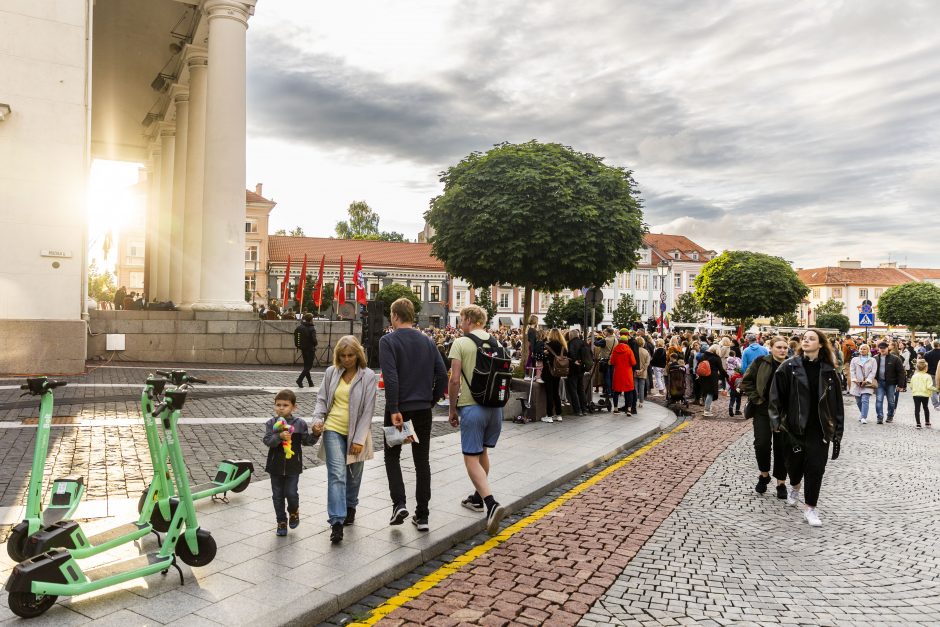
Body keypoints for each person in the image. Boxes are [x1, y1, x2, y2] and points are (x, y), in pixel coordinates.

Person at [380, 298, 448, 531]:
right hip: (422, 408)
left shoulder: (388, 341)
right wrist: (432, 399)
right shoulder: (428, 341)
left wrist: (395, 408)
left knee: (392, 457)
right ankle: (423, 515)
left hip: (399, 409)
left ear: (395, 316)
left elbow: (391, 377)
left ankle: (399, 504)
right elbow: (442, 375)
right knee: (422, 461)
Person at [768, 330, 844, 527]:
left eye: (812, 338)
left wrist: (837, 432)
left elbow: (836, 404)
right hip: (794, 428)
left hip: (819, 428)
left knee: (816, 468)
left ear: (820, 344)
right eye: (805, 338)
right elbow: (775, 396)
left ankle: (810, 508)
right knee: (794, 467)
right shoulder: (789, 366)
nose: (806, 340)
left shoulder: (829, 371)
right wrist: (776, 422)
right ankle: (794, 486)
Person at [310, 336, 377, 543]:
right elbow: (322, 399)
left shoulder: (368, 376)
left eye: (351, 355)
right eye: (343, 356)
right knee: (337, 474)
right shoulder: (331, 373)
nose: (347, 359)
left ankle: (350, 505)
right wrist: (317, 419)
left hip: (358, 431)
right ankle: (336, 522)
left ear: (358, 355)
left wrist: (359, 439)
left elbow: (368, 411)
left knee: (355, 474)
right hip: (333, 428)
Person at [448, 304, 507, 536]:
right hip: (495, 408)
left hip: (472, 407)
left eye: (461, 319)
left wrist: (452, 409)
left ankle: (491, 504)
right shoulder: (497, 342)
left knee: (471, 458)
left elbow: (454, 380)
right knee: (482, 452)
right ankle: (476, 497)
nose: (460, 323)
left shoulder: (461, 343)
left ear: (469, 320)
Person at [262, 389, 319, 536]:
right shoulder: (271, 423)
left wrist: (316, 434)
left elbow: (307, 441)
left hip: (293, 466)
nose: (281, 408)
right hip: (275, 467)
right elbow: (268, 441)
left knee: (291, 493)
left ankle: (294, 511)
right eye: (278, 405)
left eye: (285, 405)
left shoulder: (299, 424)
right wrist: (279, 436)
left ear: (294, 407)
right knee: (277, 495)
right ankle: (281, 521)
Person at [740, 336, 789, 498]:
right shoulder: (761, 362)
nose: (782, 350)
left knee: (782, 448)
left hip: (784, 413)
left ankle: (781, 482)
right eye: (779, 347)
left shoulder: (792, 365)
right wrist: (757, 399)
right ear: (771, 348)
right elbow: (746, 382)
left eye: (785, 347)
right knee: (761, 444)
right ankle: (764, 475)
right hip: (763, 410)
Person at [872, 341, 906, 424]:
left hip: (891, 383)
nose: (882, 350)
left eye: (884, 348)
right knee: (879, 399)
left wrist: (901, 385)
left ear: (888, 348)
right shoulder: (875, 358)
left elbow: (901, 372)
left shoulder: (895, 359)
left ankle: (890, 416)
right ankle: (880, 417)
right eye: (881, 348)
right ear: (879, 349)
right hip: (879, 382)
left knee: (890, 400)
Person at [540, 328, 568, 423]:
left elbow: (542, 359)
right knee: (556, 392)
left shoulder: (547, 346)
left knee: (549, 393)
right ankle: (559, 414)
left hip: (549, 371)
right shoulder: (563, 346)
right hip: (559, 372)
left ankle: (549, 415)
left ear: (550, 335)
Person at [848, 343, 877, 424]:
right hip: (856, 383)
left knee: (865, 400)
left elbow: (873, 372)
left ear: (868, 350)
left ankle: (864, 417)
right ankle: (862, 414)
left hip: (867, 383)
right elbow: (852, 370)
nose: (862, 350)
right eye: (861, 349)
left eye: (864, 349)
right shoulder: (854, 359)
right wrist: (854, 380)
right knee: (858, 401)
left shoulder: (872, 360)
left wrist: (867, 380)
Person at [609, 334, 637, 415]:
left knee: (616, 391)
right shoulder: (629, 350)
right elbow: (633, 362)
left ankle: (615, 409)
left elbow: (612, 362)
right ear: (626, 342)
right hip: (627, 374)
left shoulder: (615, 350)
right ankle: (628, 410)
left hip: (617, 373)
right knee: (629, 392)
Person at [698, 345, 728, 418]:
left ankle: (707, 407)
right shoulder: (716, 358)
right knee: (710, 393)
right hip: (712, 377)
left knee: (706, 391)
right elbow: (721, 369)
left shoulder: (704, 355)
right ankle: (707, 410)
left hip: (703, 376)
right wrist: (727, 376)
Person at [566, 329, 590, 417]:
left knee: (573, 390)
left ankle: (577, 410)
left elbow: (570, 354)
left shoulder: (570, 343)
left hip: (573, 369)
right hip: (582, 369)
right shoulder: (584, 342)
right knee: (581, 389)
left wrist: (574, 361)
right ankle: (584, 409)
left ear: (571, 335)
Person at [294, 312, 318, 388]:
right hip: (310, 349)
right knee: (309, 366)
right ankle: (299, 380)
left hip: (303, 348)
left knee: (306, 366)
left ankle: (310, 383)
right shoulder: (312, 328)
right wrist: (315, 344)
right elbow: (314, 340)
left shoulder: (300, 327)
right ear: (311, 320)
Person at [911, 360, 936, 428]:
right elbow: (929, 386)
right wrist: (937, 389)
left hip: (916, 394)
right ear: (926, 368)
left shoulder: (914, 376)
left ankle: (918, 423)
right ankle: (927, 422)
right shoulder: (928, 376)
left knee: (917, 408)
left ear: (917, 368)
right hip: (925, 395)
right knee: (925, 407)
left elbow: (911, 386)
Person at [634, 336, 651, 409]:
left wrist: (636, 370)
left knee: (635, 387)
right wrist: (642, 370)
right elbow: (647, 363)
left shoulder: (634, 351)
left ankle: (634, 401)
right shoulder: (646, 351)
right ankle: (641, 402)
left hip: (635, 371)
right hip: (643, 372)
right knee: (642, 387)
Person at [924, 340, 940, 411]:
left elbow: (925, 364)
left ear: (932, 345)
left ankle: (936, 405)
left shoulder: (927, 354)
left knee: (933, 389)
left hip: (931, 373)